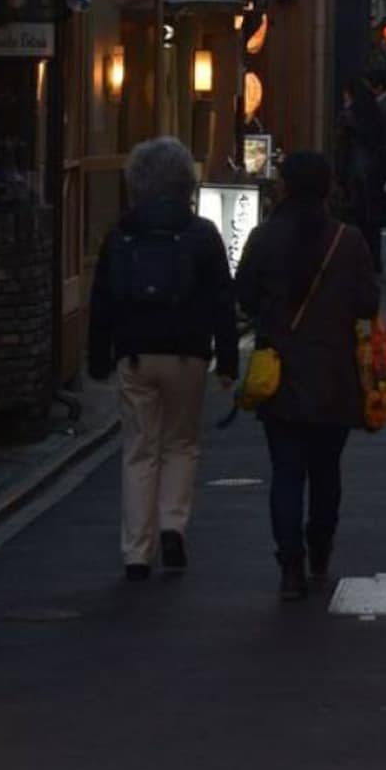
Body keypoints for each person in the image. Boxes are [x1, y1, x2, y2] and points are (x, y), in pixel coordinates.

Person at [88, 137, 237, 580]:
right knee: (180, 443)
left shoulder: (121, 234)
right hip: (188, 352)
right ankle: (173, 525)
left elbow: (103, 300)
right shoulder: (202, 234)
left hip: (134, 354)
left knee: (139, 450)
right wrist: (228, 360)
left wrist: (99, 358)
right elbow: (221, 300)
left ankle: (137, 549)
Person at [235, 152, 381, 600]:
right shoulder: (348, 240)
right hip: (335, 373)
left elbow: (244, 296)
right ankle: (320, 548)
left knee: (286, 472)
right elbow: (367, 304)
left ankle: (290, 564)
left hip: (280, 371)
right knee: (325, 470)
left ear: (284, 186)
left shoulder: (264, 238)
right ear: (327, 187)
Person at [335, 77, 385, 271]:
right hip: (373, 175)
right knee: (372, 223)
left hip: (354, 175)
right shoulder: (375, 113)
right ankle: (374, 260)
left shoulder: (348, 117)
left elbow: (341, 148)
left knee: (354, 219)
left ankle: (357, 261)